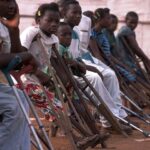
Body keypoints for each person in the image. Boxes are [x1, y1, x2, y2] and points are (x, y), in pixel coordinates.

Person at [62, 0, 132, 133]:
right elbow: (65, 58)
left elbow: (77, 56)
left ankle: (119, 115)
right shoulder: (61, 29)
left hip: (77, 64)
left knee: (109, 75)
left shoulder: (76, 30)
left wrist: (91, 66)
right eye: (74, 13)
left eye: (80, 13)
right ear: (64, 13)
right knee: (95, 78)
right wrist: (89, 68)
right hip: (66, 69)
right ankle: (109, 121)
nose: (78, 16)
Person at [0, 0, 38, 149]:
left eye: (12, 0)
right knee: (14, 106)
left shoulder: (4, 27)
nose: (11, 5)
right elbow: (19, 57)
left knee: (21, 98)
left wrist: (14, 29)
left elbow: (17, 55)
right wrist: (25, 56)